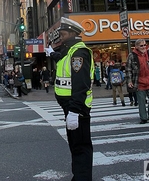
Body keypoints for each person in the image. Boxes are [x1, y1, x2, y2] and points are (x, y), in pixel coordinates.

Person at [45, 17, 94, 180]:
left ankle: (82, 178)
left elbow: (81, 84)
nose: (61, 36)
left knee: (80, 146)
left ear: (73, 33)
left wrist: (74, 110)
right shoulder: (69, 50)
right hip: (70, 106)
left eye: (63, 33)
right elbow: (62, 60)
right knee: (75, 144)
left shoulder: (79, 52)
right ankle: (79, 176)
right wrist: (53, 54)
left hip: (77, 107)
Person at [126, 39, 149, 124]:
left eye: (144, 45)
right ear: (137, 46)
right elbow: (128, 69)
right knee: (141, 101)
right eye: (141, 45)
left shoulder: (148, 53)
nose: (143, 47)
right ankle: (143, 117)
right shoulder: (132, 55)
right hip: (139, 81)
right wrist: (129, 81)